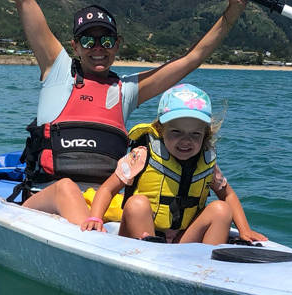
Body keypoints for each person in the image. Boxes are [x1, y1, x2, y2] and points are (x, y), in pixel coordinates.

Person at [12, 0, 250, 226]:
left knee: (140, 207)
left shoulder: (126, 91)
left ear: (118, 45)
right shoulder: (56, 70)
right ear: (75, 45)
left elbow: (193, 57)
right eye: (88, 40)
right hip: (49, 196)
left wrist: (233, 11)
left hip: (104, 206)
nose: (98, 47)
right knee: (67, 188)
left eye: (107, 40)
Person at [80, 84, 267, 245]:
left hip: (182, 241)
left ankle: (208, 265)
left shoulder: (206, 163)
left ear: (206, 135)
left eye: (195, 134)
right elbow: (107, 189)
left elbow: (228, 196)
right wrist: (95, 218)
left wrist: (244, 230)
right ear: (161, 129)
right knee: (137, 204)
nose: (186, 141)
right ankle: (147, 261)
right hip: (140, 237)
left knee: (221, 210)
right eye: (176, 132)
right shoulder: (142, 156)